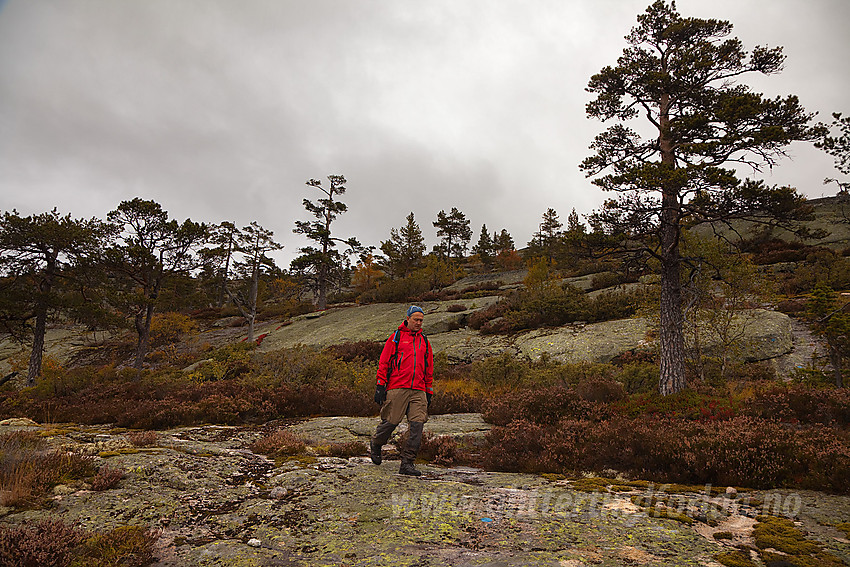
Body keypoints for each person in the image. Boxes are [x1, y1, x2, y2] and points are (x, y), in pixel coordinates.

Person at [370, 305, 434, 476]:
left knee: (417, 425)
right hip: (397, 386)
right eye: (416, 320)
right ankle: (376, 443)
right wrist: (380, 385)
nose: (419, 323)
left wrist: (429, 391)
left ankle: (407, 463)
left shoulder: (425, 341)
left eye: (421, 320)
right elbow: (384, 362)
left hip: (418, 389)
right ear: (408, 319)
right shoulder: (396, 338)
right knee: (391, 421)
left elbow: (429, 368)